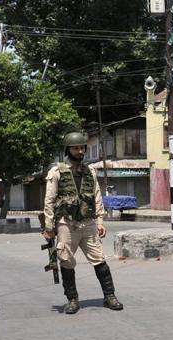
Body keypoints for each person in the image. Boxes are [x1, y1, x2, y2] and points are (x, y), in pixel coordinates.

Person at [42, 131, 123, 314]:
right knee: (66, 261)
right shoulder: (57, 172)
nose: (79, 151)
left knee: (99, 259)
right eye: (76, 148)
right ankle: (72, 299)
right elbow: (49, 200)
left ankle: (109, 296)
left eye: (82, 148)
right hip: (66, 223)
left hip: (88, 222)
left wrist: (100, 221)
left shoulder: (90, 171)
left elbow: (97, 197)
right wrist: (48, 227)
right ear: (68, 149)